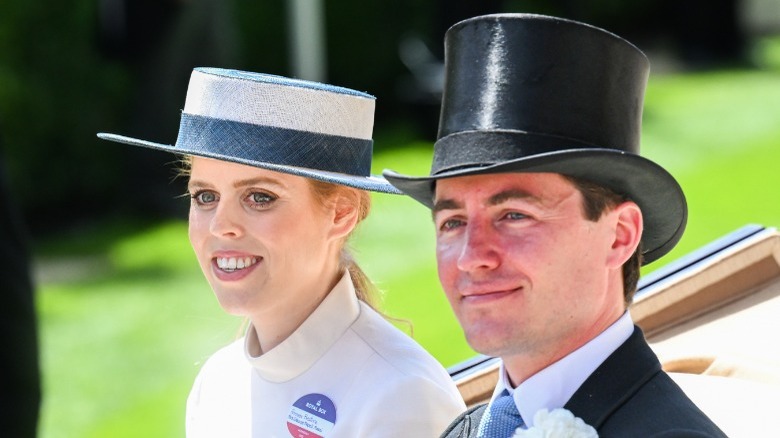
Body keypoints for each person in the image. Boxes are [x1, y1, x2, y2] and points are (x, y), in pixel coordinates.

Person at [383, 14, 727, 437]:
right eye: (452, 222)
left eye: (513, 216)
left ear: (619, 236)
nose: (472, 258)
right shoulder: (466, 430)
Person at [98, 67, 465, 436]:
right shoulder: (216, 385)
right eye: (205, 196)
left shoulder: (401, 397)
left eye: (260, 197)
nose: (220, 225)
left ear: (341, 213)